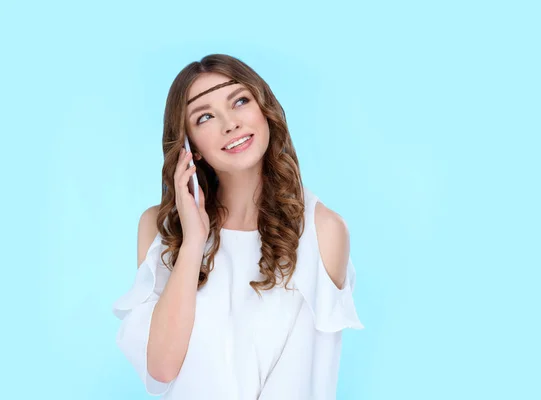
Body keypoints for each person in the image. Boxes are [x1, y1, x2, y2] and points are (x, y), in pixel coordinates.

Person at [112, 53, 364, 399]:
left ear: (265, 109)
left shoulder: (322, 231)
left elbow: (305, 376)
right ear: (190, 148)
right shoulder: (162, 230)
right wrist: (194, 241)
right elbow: (161, 369)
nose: (230, 123)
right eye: (204, 117)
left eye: (240, 101)